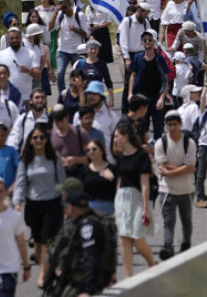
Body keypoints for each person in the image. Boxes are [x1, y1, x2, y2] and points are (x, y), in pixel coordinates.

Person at [11, 125, 63, 287]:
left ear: (46, 140)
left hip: (52, 203)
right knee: (38, 242)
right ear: (30, 141)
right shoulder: (26, 159)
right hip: (33, 204)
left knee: (47, 240)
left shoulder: (54, 157)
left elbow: (62, 181)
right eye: (35, 138)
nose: (39, 140)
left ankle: (42, 276)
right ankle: (46, 269)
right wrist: (17, 202)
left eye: (41, 137)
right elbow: (20, 182)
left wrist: (67, 202)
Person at [45, 191, 111, 297]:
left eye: (66, 206)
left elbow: (91, 258)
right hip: (70, 279)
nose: (65, 208)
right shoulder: (74, 223)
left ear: (71, 207)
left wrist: (88, 291)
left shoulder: (88, 227)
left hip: (80, 284)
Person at [111, 121, 155, 279]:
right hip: (122, 200)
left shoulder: (141, 155)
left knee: (138, 240)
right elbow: (119, 181)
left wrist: (145, 207)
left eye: (117, 136)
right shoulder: (121, 156)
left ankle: (152, 264)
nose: (114, 139)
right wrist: (116, 207)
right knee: (124, 241)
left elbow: (144, 182)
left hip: (137, 200)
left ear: (125, 137)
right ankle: (129, 280)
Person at [155, 110, 197, 259]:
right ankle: (168, 247)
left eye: (175, 124)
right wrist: (183, 168)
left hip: (186, 189)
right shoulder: (161, 143)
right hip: (167, 189)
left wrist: (170, 171)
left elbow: (191, 167)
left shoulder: (188, 143)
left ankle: (186, 243)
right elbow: (163, 165)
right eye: (169, 125)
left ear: (180, 124)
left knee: (186, 219)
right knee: (168, 221)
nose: (172, 127)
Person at [128, 32, 170, 141]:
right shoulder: (137, 57)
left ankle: (158, 151)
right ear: (142, 43)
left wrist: (162, 98)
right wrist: (130, 94)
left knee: (158, 128)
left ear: (154, 42)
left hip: (156, 97)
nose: (147, 42)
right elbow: (133, 75)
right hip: (141, 97)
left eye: (150, 40)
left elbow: (165, 79)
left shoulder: (160, 58)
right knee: (141, 127)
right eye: (145, 40)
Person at [52, 0, 88, 96]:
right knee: (60, 74)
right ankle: (63, 96)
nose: (63, 10)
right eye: (61, 7)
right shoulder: (60, 16)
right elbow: (50, 28)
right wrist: (55, 13)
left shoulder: (79, 16)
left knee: (77, 75)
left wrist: (76, 30)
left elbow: (87, 33)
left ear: (70, 5)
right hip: (63, 50)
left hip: (76, 51)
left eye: (65, 7)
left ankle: (78, 94)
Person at [76, 138, 114, 216]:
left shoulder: (112, 168)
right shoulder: (84, 170)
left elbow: (118, 189)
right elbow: (81, 191)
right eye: (88, 150)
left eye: (94, 149)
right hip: (90, 207)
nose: (91, 152)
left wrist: (112, 179)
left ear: (102, 151)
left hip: (110, 206)